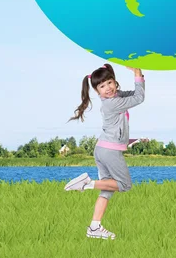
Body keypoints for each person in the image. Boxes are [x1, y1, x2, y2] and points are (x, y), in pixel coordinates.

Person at [64, 63, 145, 239]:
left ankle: (94, 228)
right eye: (102, 86)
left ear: (115, 82)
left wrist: (140, 77)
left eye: (109, 82)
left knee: (107, 189)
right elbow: (139, 98)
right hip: (110, 150)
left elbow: (133, 95)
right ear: (97, 91)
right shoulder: (112, 104)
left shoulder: (115, 97)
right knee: (124, 185)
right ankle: (86, 183)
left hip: (102, 149)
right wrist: (137, 75)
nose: (107, 88)